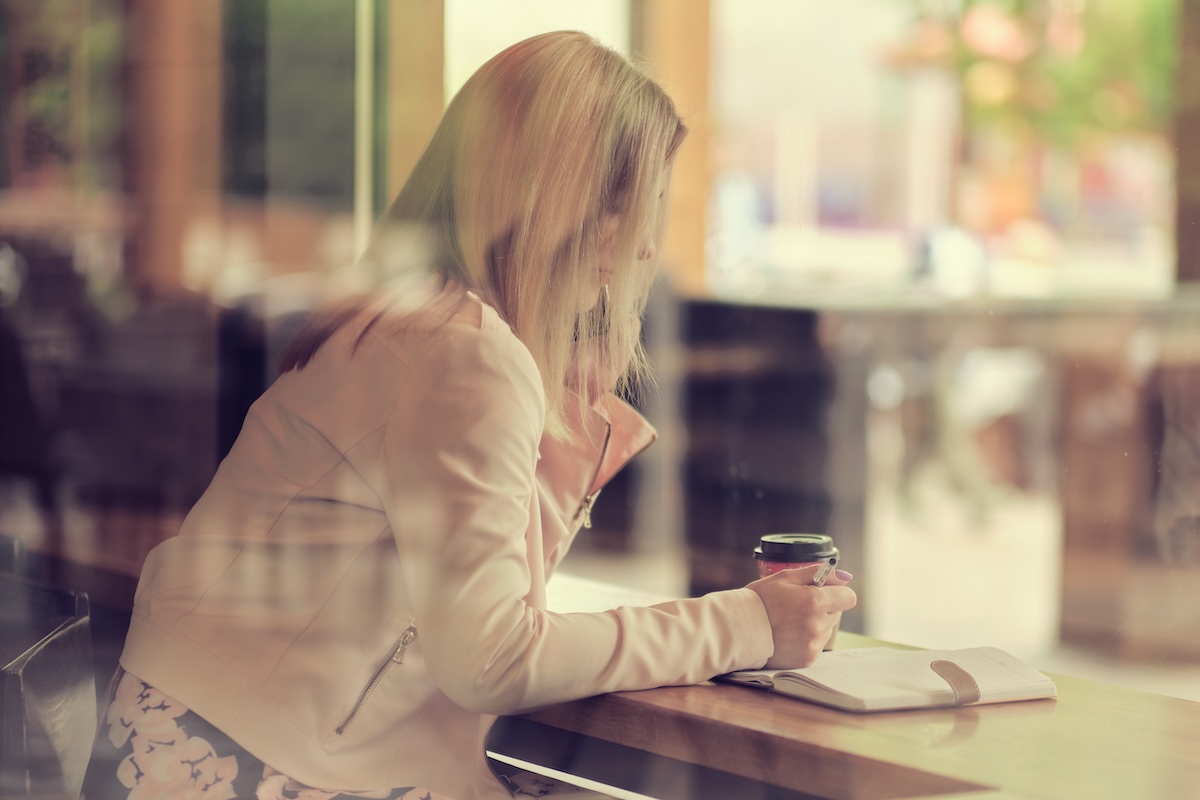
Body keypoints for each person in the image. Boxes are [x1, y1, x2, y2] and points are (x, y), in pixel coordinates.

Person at [82, 31, 855, 800]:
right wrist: (747, 624)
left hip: (200, 742)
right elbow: (492, 656)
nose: (651, 249)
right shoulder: (461, 355)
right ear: (588, 215)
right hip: (253, 764)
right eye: (651, 205)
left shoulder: (406, 321)